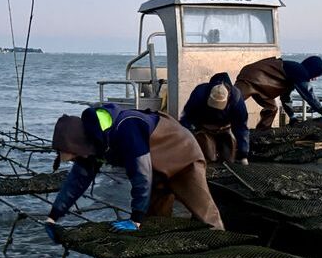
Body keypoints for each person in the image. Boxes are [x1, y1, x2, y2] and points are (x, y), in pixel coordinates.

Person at [44, 103, 224, 240]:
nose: (75, 160)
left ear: (78, 145)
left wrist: (135, 219)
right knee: (154, 223)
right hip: (156, 170)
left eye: (74, 157)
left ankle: (222, 255)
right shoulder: (91, 144)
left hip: (182, 157)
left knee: (205, 214)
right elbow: (77, 181)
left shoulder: (127, 127)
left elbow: (141, 174)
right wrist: (53, 216)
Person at [235, 56, 322, 130]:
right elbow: (308, 94)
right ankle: (221, 127)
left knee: (272, 108)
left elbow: (285, 98)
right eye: (316, 75)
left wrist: (292, 116)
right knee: (231, 101)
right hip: (251, 78)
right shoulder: (299, 71)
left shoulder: (292, 75)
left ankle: (261, 133)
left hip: (262, 87)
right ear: (312, 70)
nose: (315, 79)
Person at [180, 72, 249, 164]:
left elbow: (241, 126)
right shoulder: (200, 93)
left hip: (224, 130)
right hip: (204, 129)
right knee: (208, 158)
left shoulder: (236, 99)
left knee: (228, 160)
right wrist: (186, 138)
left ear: (228, 98)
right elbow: (187, 117)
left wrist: (243, 153)